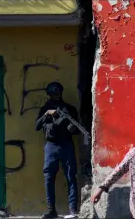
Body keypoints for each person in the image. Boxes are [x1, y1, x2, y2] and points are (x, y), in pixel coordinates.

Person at [35, 82, 80, 219]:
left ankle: (73, 210)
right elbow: (37, 126)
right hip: (51, 146)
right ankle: (51, 210)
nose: (56, 94)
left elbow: (77, 130)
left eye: (58, 91)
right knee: (48, 178)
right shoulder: (45, 108)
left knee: (71, 177)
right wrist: (47, 114)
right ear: (49, 94)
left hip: (66, 144)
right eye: (53, 92)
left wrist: (72, 129)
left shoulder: (70, 109)